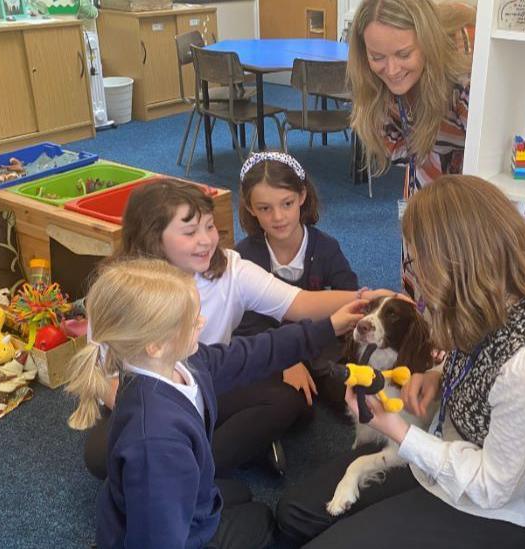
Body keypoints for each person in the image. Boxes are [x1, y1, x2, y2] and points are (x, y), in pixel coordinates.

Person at [276, 175, 525, 548]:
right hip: (446, 451)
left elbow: (493, 487)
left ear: (459, 263)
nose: (414, 272)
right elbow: (479, 366)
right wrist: (438, 375)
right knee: (293, 514)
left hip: (499, 510)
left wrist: (398, 431)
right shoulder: (488, 300)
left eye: (419, 260)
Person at [82, 178, 394, 479]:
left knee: (290, 401)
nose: (206, 240)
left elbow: (301, 302)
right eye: (190, 232)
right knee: (100, 455)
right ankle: (207, 456)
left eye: (209, 227)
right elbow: (109, 383)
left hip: (212, 381)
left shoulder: (230, 268)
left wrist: (365, 299)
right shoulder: (119, 290)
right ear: (154, 237)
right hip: (151, 402)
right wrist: (173, 418)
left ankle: (192, 468)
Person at [65, 258, 364, 548]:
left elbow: (255, 353)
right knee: (261, 521)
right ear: (155, 345)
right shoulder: (155, 440)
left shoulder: (184, 362)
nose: (202, 321)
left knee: (241, 495)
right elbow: (158, 538)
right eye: (191, 320)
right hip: (164, 531)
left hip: (182, 497)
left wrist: (328, 327)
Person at [347, 0, 525, 298]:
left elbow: (496, 198)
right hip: (441, 105)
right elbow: (414, 160)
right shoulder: (382, 81)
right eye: (377, 57)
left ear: (427, 42)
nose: (391, 69)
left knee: (492, 250)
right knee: (428, 221)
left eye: (403, 54)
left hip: (517, 91)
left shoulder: (472, 79)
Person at [233, 152, 360, 407]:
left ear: (302, 196)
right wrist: (286, 359)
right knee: (291, 404)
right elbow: (246, 325)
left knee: (351, 393)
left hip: (318, 344)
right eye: (265, 208)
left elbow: (348, 295)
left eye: (287, 203)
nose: (278, 217)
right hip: (268, 348)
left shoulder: (325, 247)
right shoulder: (244, 256)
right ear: (250, 208)